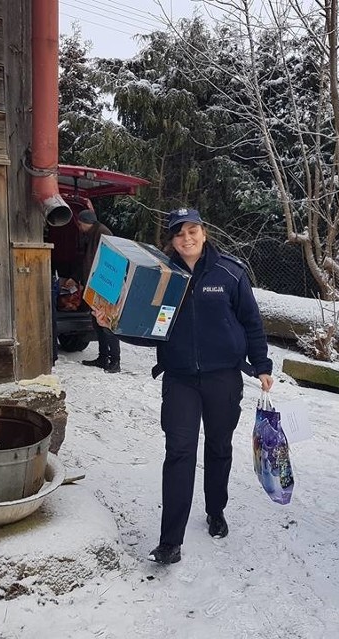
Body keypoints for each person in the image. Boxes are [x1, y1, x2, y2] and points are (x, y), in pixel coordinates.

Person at [93, 207, 273, 565]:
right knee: (179, 452)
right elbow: (149, 331)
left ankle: (215, 509)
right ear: (172, 241)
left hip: (224, 376)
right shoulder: (163, 277)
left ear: (204, 233)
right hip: (179, 379)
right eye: (179, 233)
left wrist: (262, 365)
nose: (187, 238)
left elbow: (252, 322)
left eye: (193, 231)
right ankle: (169, 541)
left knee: (219, 446)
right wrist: (112, 323)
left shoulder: (230, 273)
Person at [77, 209, 121, 373]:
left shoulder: (103, 234)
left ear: (87, 223)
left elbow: (111, 263)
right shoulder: (92, 234)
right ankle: (103, 358)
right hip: (96, 285)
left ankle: (115, 361)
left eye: (80, 224)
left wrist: (103, 286)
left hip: (105, 287)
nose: (79, 227)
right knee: (97, 323)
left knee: (106, 323)